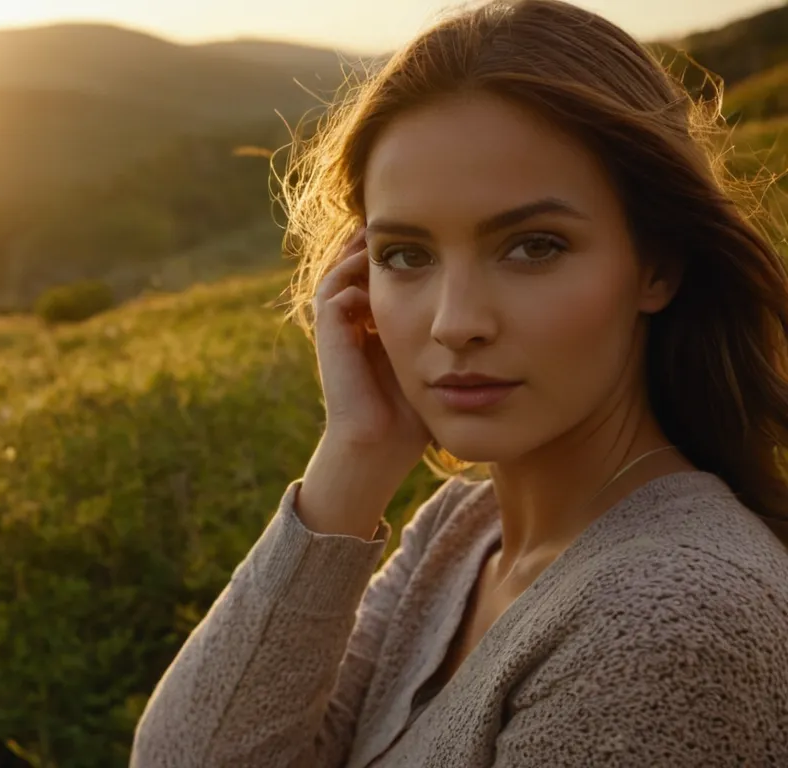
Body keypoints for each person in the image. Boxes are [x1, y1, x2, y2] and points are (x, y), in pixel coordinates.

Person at [129, 0, 788, 765]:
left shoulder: (671, 617)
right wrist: (355, 454)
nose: (454, 322)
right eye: (406, 256)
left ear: (657, 265)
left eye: (534, 247)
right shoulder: (462, 534)